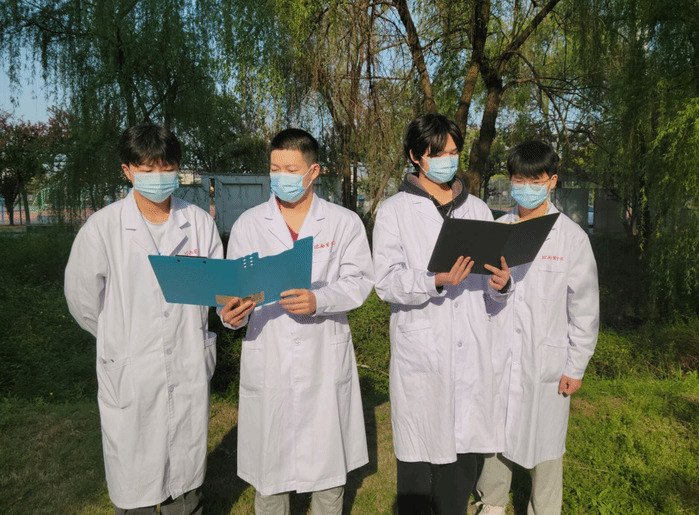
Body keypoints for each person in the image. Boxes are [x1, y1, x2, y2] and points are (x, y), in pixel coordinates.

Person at [64, 122, 222, 514]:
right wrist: (120, 338)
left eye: (166, 167)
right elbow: (83, 302)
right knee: (136, 484)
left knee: (184, 485)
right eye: (147, 169)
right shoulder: (103, 228)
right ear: (127, 170)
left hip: (186, 363)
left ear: (178, 169)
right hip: (131, 371)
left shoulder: (198, 223)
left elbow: (217, 292)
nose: (158, 176)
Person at [219, 128, 374, 515]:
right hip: (269, 354)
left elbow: (359, 281)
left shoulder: (342, 222)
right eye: (275, 169)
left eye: (291, 169)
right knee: (270, 474)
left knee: (328, 472)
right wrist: (231, 315)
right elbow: (233, 292)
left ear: (313, 171)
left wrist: (319, 300)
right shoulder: (249, 224)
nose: (281, 177)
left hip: (323, 356)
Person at [372, 113, 511, 515]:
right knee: (416, 472)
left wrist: (500, 285)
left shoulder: (479, 210)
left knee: (460, 474)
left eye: (453, 152)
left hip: (470, 356)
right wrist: (435, 280)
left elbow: (490, 298)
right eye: (439, 154)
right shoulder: (394, 211)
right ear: (415, 156)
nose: (449, 160)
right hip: (422, 353)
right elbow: (386, 282)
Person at [475, 140, 599, 515]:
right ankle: (492, 503)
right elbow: (483, 299)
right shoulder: (497, 230)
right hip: (500, 356)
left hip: (546, 361)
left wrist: (576, 366)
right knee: (496, 436)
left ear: (552, 181)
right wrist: (498, 289)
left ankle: (544, 509)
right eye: (519, 179)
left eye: (535, 179)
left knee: (546, 443)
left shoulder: (571, 238)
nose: (526, 187)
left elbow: (585, 308)